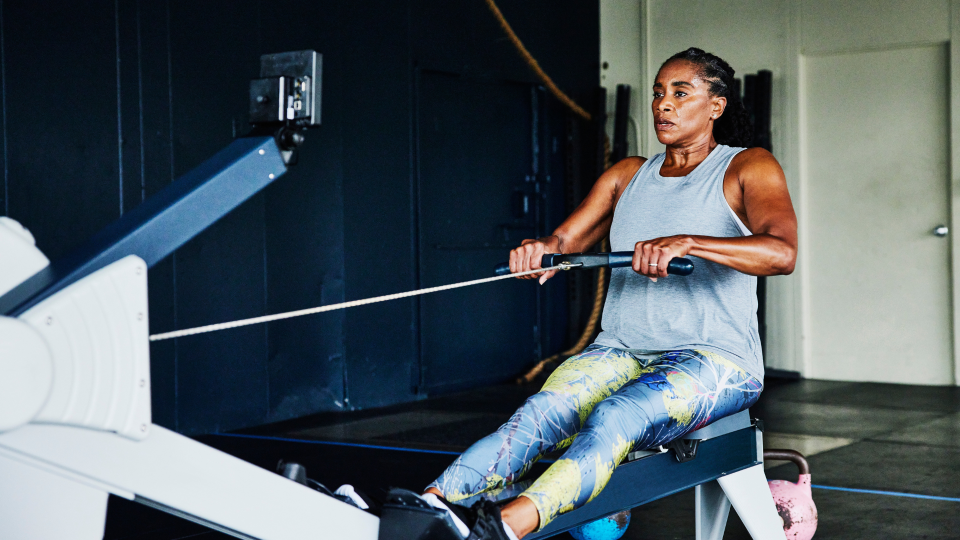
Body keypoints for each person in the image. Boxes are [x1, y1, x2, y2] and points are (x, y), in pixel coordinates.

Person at [419, 47, 798, 540]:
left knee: (616, 416)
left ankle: (503, 528)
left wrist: (690, 242)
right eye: (660, 93)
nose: (663, 104)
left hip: (718, 359)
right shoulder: (627, 176)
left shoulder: (747, 166)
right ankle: (432, 507)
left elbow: (781, 252)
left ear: (716, 106)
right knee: (541, 411)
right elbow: (563, 244)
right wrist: (539, 251)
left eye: (681, 93)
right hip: (621, 348)